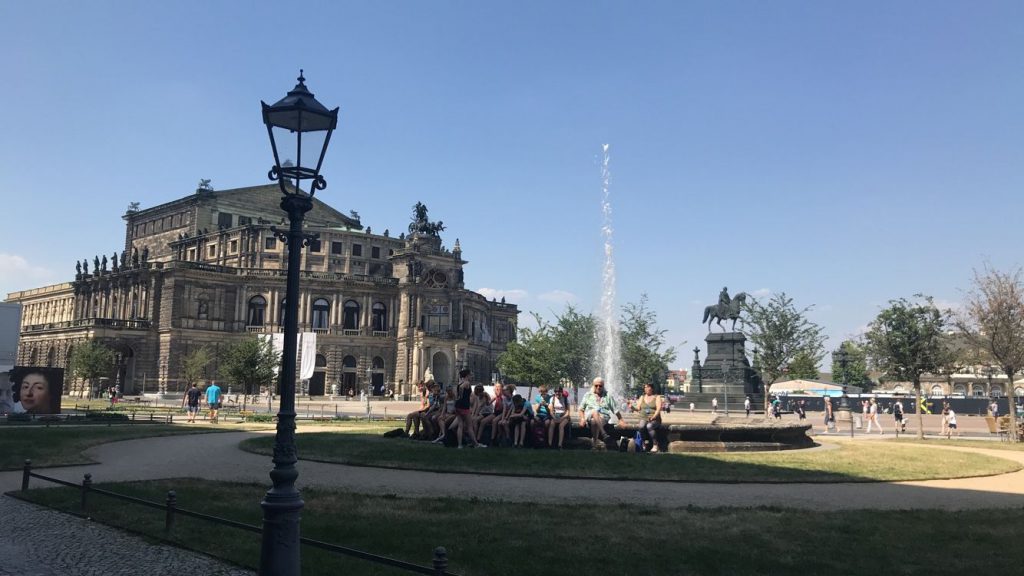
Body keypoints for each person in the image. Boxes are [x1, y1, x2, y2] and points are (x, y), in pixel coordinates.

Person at [577, 377, 626, 448]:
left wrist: (621, 419)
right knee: (594, 411)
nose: (598, 387)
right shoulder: (588, 395)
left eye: (600, 386)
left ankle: (594, 444)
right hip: (590, 414)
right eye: (596, 385)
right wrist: (582, 419)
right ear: (593, 385)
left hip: (603, 417)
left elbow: (615, 409)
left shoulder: (607, 396)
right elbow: (581, 409)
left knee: (594, 421)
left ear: (603, 386)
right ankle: (604, 434)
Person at [635, 383, 663, 452]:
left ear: (652, 388)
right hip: (643, 417)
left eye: (647, 387)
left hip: (655, 418)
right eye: (645, 387)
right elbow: (638, 408)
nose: (646, 389)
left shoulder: (657, 397)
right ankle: (644, 443)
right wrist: (631, 407)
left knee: (649, 426)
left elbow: (658, 409)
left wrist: (654, 416)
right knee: (641, 426)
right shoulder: (642, 397)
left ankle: (655, 444)